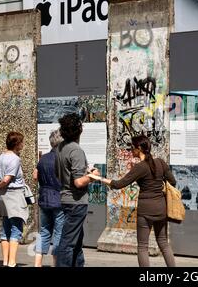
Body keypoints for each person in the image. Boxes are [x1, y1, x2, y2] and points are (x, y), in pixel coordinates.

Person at [94, 135, 176, 267]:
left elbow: (119, 184)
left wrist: (99, 179)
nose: (130, 150)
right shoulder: (160, 162)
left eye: (132, 147)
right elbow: (173, 181)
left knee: (143, 247)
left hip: (145, 210)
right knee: (164, 243)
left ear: (139, 148)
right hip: (161, 208)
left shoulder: (140, 167)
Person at [55, 113, 99, 267]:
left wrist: (85, 170)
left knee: (76, 242)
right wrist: (92, 175)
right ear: (79, 130)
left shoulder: (60, 147)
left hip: (65, 199)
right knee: (68, 243)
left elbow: (61, 172)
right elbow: (79, 182)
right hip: (76, 202)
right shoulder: (76, 150)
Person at [0, 131, 28, 267]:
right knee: (16, 228)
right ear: (17, 144)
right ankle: (12, 262)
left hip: (2, 197)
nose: (23, 144)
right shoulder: (15, 159)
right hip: (13, 195)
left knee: (6, 227)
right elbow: (6, 179)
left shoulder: (1, 156)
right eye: (22, 142)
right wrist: (0, 186)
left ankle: (5, 261)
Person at [34, 129, 65, 267]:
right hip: (59, 200)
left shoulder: (43, 159)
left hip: (44, 199)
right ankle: (56, 263)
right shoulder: (62, 159)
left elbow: (36, 177)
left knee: (44, 232)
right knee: (58, 233)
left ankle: (37, 263)